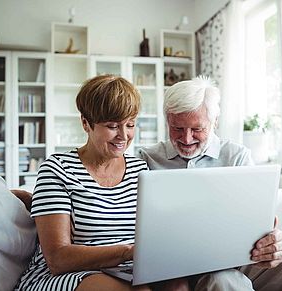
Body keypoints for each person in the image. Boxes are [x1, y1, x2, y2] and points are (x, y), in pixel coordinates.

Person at [138, 76, 282, 291]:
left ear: (214, 122)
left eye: (197, 129)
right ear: (168, 120)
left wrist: (274, 243)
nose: (186, 139)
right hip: (182, 271)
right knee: (224, 281)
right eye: (178, 128)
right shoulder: (146, 160)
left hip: (245, 261)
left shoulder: (237, 156)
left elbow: (261, 222)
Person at [14, 75, 187, 291]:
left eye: (130, 124)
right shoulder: (57, 170)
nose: (123, 136)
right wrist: (127, 252)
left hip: (128, 270)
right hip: (70, 274)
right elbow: (58, 258)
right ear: (86, 123)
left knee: (178, 285)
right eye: (112, 126)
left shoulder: (140, 170)